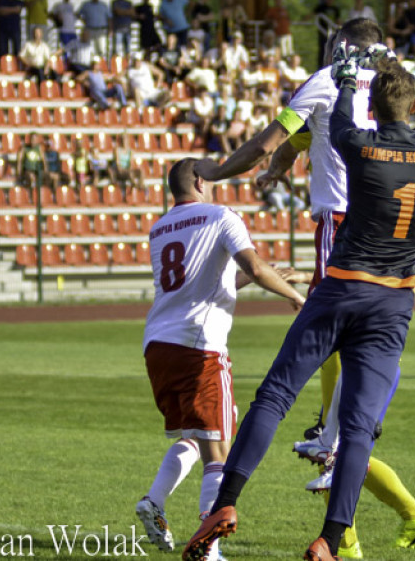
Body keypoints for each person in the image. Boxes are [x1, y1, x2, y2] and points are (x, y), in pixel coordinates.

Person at [184, 46, 415, 561]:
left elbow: (341, 120)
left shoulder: (363, 148)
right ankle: (331, 537)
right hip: (395, 305)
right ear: (414, 104)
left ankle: (226, 502)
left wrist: (347, 78)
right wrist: (398, 67)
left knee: (275, 397)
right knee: (356, 433)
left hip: (342, 288)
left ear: (376, 102)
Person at [136, 158, 306, 556]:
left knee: (194, 437)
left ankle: (155, 500)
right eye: (210, 177)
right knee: (219, 448)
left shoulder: (158, 228)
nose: (213, 183)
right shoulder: (221, 215)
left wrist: (271, 275)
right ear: (198, 181)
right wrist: (294, 294)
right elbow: (253, 266)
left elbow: (214, 281)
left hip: (158, 344)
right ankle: (208, 548)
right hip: (200, 347)